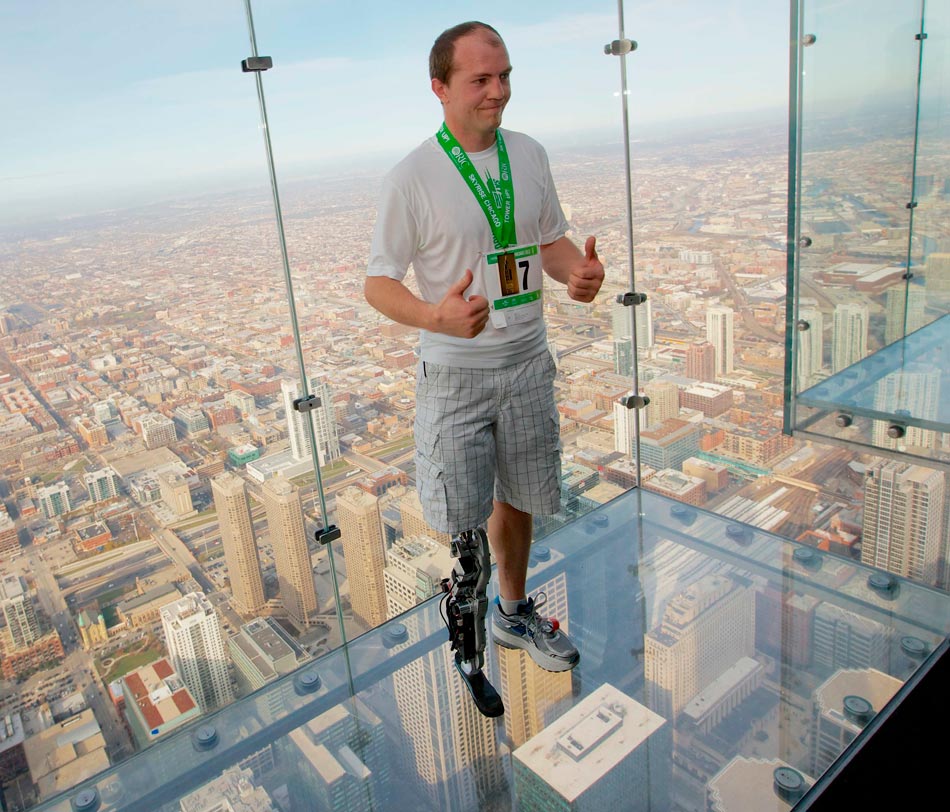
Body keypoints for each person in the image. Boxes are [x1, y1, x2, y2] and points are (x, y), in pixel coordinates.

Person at [365, 21, 603, 691]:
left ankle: (513, 611)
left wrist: (574, 276)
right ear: (440, 88)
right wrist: (434, 315)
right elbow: (377, 283)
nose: (497, 91)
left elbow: (548, 243)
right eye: (480, 79)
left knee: (521, 499)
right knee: (463, 520)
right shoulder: (410, 178)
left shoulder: (529, 154)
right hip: (457, 374)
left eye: (504, 77)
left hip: (528, 360)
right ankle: (467, 644)